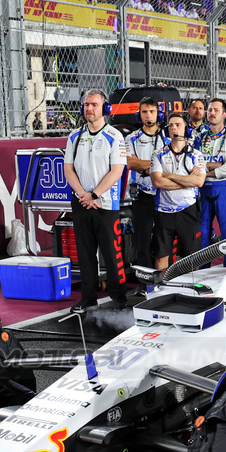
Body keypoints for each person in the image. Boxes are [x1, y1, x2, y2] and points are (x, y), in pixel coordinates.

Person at [63, 88, 128, 311]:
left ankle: (119, 298)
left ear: (105, 108)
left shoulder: (115, 136)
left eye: (94, 105)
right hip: (81, 202)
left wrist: (95, 194)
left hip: (106, 203)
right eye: (86, 105)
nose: (89, 109)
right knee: (85, 252)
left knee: (111, 253)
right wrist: (83, 194)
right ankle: (88, 298)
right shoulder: (74, 136)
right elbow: (68, 169)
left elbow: (117, 171)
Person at [150, 113, 206, 272]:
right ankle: (161, 292)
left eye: (178, 125)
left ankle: (190, 294)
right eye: (171, 125)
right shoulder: (158, 154)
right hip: (163, 213)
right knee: (161, 258)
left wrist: (170, 176)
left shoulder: (196, 155)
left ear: (187, 129)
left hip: (187, 211)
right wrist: (186, 180)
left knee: (192, 259)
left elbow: (199, 181)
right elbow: (157, 182)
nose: (174, 128)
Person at [195, 99, 226, 262]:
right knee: (202, 238)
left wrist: (204, 169)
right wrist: (217, 165)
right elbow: (191, 165)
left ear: (224, 114)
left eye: (216, 110)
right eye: (209, 110)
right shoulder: (199, 139)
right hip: (202, 191)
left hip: (224, 192)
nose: (212, 113)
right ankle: (201, 276)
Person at [125, 97, 168, 269]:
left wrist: (143, 167)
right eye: (144, 112)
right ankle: (145, 284)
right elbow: (130, 163)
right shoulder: (131, 138)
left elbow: (171, 165)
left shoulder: (167, 136)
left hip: (164, 195)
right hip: (141, 196)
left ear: (159, 114)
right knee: (141, 242)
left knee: (163, 241)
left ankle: (163, 280)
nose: (148, 116)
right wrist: (158, 167)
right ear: (139, 115)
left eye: (152, 111)